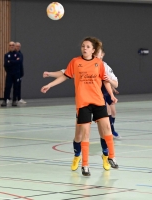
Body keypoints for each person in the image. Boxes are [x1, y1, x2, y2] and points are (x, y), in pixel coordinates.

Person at [41, 37, 118, 176]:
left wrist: (111, 95)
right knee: (84, 134)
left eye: (88, 46)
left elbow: (105, 80)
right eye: (83, 46)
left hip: (98, 101)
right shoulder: (75, 62)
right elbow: (65, 76)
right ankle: (84, 164)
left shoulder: (98, 63)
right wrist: (49, 85)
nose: (85, 48)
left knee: (107, 128)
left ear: (93, 50)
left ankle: (111, 157)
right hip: (83, 102)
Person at [98, 48, 121, 139]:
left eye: (99, 54)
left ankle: (111, 128)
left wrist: (111, 85)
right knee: (108, 111)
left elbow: (115, 83)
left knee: (113, 112)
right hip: (98, 93)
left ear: (102, 55)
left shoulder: (105, 66)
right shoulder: (90, 65)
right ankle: (110, 131)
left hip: (106, 91)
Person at [1, 41, 22, 107]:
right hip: (9, 73)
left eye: (13, 45)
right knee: (7, 87)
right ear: (8, 46)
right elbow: (6, 64)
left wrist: (10, 61)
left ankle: (14, 101)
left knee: (16, 87)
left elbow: (19, 62)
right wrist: (14, 61)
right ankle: (5, 100)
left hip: (16, 73)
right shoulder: (6, 55)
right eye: (10, 45)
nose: (12, 46)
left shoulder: (18, 54)